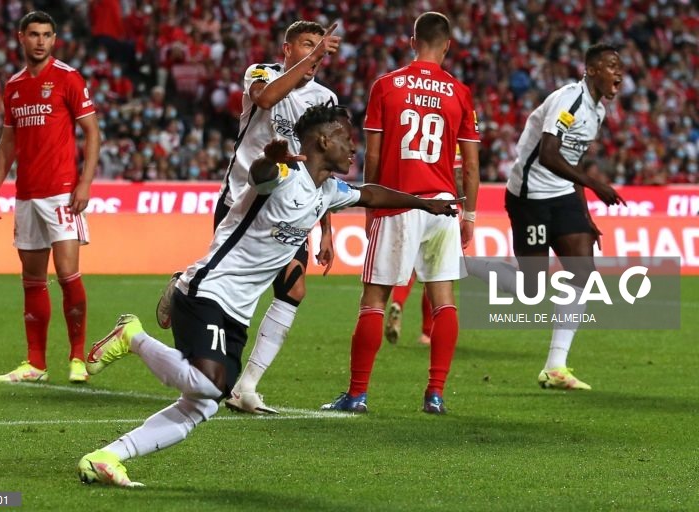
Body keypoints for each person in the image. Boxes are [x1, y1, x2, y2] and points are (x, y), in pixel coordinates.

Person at [77, 104, 462, 487]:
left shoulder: (327, 191)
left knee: (203, 405)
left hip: (238, 312)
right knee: (209, 384)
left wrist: (424, 202)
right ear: (323, 140)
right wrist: (267, 157)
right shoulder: (283, 173)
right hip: (208, 290)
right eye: (346, 138)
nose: (353, 148)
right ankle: (132, 336)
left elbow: (371, 196)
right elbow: (261, 174)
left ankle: (108, 456)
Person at [155, 21, 341, 415]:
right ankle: (186, 284)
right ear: (287, 48)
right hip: (243, 199)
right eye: (306, 45)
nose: (314, 54)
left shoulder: (326, 98)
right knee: (235, 289)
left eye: (319, 47)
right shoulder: (262, 73)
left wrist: (327, 228)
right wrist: (312, 55)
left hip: (292, 204)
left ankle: (247, 387)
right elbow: (267, 99)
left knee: (293, 289)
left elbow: (325, 165)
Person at [322, 12, 480, 415]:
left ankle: (357, 395)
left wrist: (369, 202)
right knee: (444, 300)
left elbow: (372, 154)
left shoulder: (386, 86)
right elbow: (472, 166)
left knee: (374, 298)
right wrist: (471, 216)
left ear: (413, 41)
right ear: (447, 45)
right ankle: (436, 394)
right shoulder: (460, 92)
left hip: (396, 200)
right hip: (443, 205)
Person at [466, 43, 625, 390]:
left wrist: (586, 216)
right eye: (612, 66)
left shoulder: (597, 111)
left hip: (563, 195)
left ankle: (556, 367)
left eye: (621, 67)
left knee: (584, 273)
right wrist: (596, 184)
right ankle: (462, 265)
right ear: (593, 70)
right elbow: (550, 155)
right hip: (530, 197)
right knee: (531, 289)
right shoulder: (570, 100)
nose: (620, 73)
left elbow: (574, 161)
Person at [0, 11, 101, 384]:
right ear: (21, 37)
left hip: (62, 194)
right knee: (32, 280)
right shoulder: (14, 86)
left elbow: (92, 133)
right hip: (27, 196)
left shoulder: (68, 78)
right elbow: (8, 142)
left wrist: (84, 183)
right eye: (34, 34)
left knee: (68, 274)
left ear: (54, 39)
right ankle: (35, 364)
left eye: (47, 35)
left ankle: (77, 357)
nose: (40, 41)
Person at [385, 146, 464, 346]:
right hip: (444, 205)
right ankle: (427, 333)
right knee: (436, 277)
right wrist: (469, 209)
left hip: (412, 202)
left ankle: (398, 303)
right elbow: (461, 174)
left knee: (410, 268)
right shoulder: (453, 136)